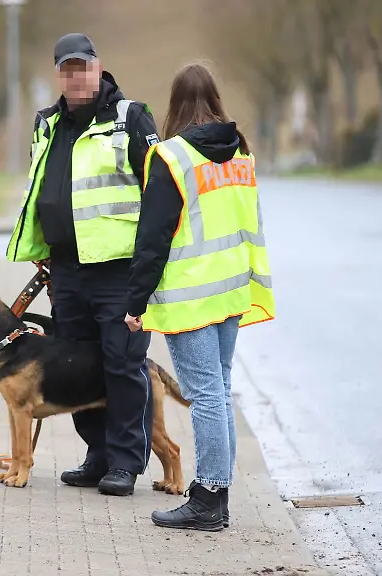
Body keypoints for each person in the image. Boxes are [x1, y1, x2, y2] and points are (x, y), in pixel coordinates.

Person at [5, 33, 162, 496]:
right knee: (76, 365)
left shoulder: (130, 117)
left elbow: (158, 190)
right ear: (59, 74)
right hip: (67, 271)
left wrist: (151, 265)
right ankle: (97, 456)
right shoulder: (47, 123)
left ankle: (126, 463)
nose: (76, 76)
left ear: (99, 67)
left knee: (122, 364)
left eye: (84, 66)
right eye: (67, 68)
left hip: (118, 270)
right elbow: (41, 188)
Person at [124, 62, 276, 531]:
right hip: (231, 289)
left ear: (175, 105)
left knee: (207, 396)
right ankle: (216, 494)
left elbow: (153, 237)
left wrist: (136, 302)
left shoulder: (172, 157)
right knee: (219, 393)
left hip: (191, 298)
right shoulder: (240, 153)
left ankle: (209, 496)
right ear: (215, 100)